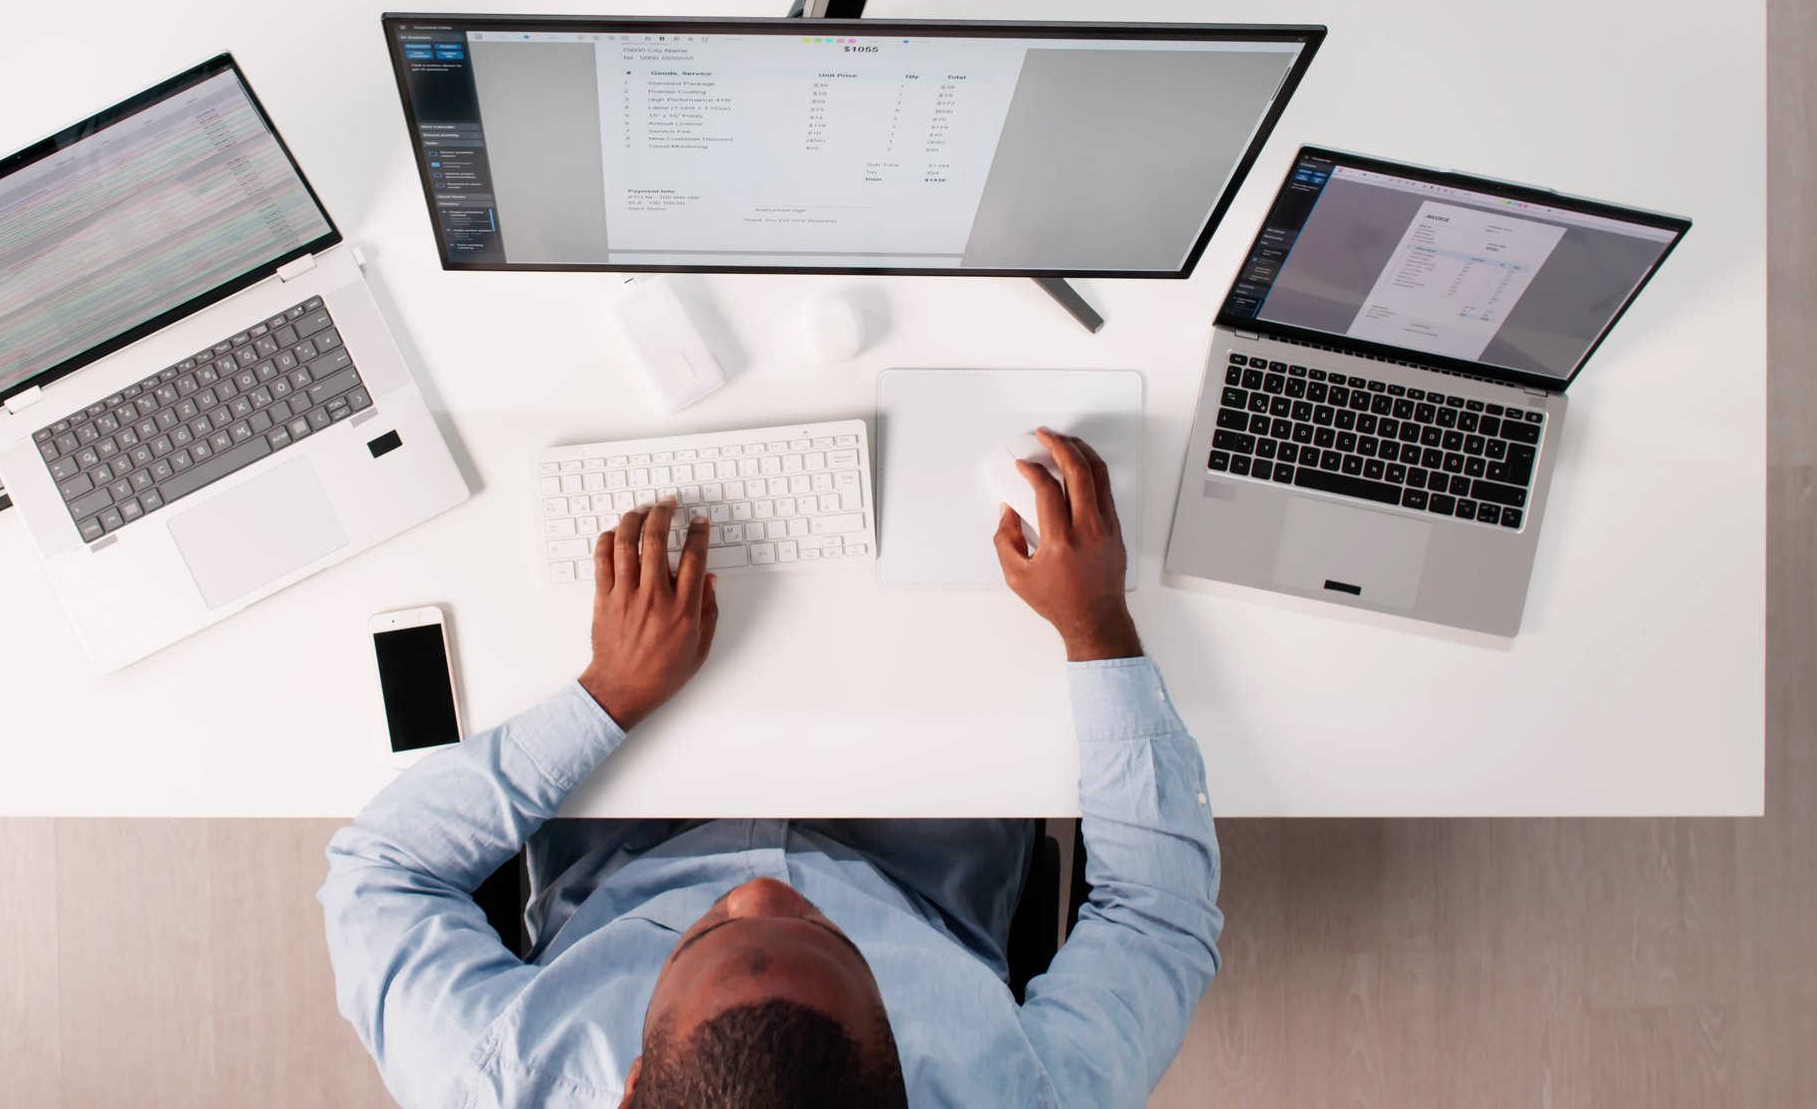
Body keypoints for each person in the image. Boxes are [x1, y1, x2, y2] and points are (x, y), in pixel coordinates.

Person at [321, 428, 1222, 1107]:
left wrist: (608, 695)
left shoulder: (502, 1081)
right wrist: (1096, 629)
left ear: (631, 1086)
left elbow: (379, 873)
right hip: (919, 860)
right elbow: (1156, 917)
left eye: (709, 934)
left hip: (619, 854)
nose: (757, 890)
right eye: (832, 937)